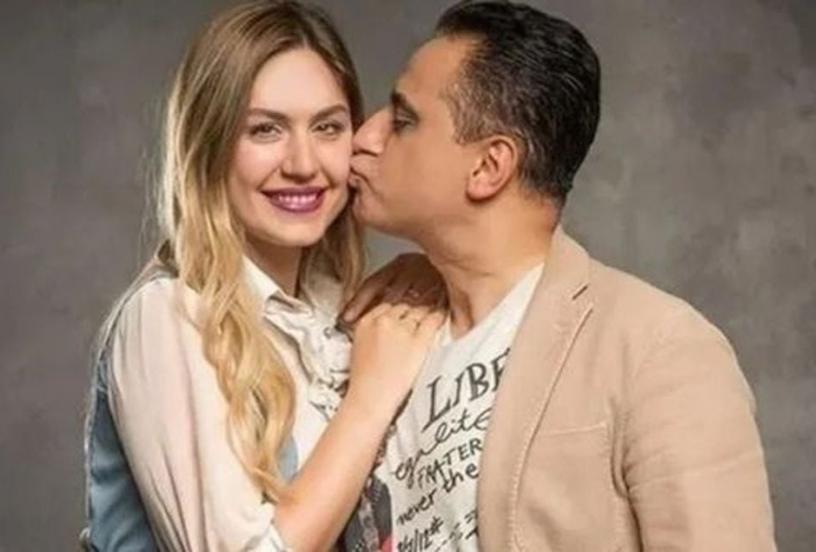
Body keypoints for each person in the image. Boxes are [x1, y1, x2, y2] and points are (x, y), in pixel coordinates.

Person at [345, 1, 777, 550]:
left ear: (488, 167)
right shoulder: (379, 329)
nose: (366, 135)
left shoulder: (659, 350)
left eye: (404, 120)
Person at [82, 2, 446, 550]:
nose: (303, 164)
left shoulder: (335, 316)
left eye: (327, 127)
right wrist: (371, 398)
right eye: (265, 130)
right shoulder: (169, 315)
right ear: (208, 146)